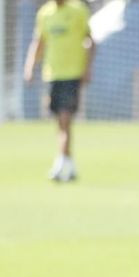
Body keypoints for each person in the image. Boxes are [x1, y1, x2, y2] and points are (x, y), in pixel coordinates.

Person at [23, 0, 94, 182]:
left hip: (72, 73)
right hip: (51, 74)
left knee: (65, 117)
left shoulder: (78, 10)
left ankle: (61, 162)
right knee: (60, 122)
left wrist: (87, 68)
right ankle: (68, 163)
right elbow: (40, 41)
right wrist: (30, 67)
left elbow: (90, 41)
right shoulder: (45, 13)